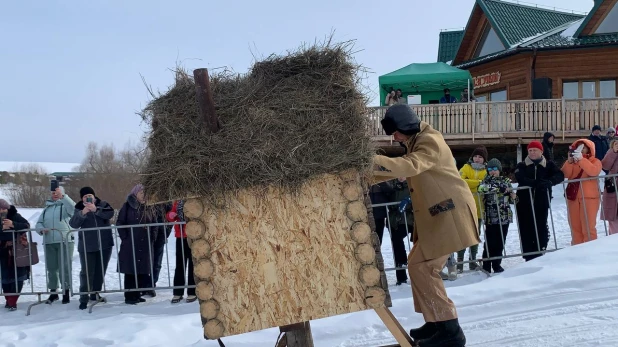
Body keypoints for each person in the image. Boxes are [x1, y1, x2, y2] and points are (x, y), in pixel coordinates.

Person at [373, 104, 479, 347]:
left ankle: (450, 331)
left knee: (424, 267)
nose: (395, 137)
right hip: (438, 215)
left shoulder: (430, 140)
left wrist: (370, 160)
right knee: (416, 265)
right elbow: (403, 168)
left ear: (406, 126)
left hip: (450, 214)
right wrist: (367, 174)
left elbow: (411, 165)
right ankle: (436, 322)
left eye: (396, 132)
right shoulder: (415, 141)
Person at [514, 141, 564, 262]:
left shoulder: (549, 165)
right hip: (524, 203)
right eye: (530, 150)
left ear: (541, 151)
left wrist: (550, 182)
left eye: (534, 150)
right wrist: (536, 183)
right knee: (525, 228)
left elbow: (560, 175)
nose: (532, 152)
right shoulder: (522, 165)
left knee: (541, 227)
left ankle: (540, 250)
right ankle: (528, 255)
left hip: (541, 202)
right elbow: (520, 177)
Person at [69, 187, 115, 310]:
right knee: (86, 272)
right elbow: (73, 224)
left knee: (100, 271)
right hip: (87, 246)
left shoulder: (103, 204)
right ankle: (83, 297)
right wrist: (83, 213)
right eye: (85, 196)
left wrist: (96, 210)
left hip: (105, 244)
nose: (87, 198)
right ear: (81, 198)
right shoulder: (78, 208)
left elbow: (110, 213)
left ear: (94, 196)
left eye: (89, 195)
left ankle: (95, 294)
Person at [116, 184, 159, 305]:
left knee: (142, 269)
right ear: (135, 194)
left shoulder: (149, 207)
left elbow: (154, 223)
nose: (144, 195)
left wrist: (153, 236)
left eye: (145, 193)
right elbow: (120, 222)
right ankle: (129, 295)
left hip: (145, 243)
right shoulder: (127, 206)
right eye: (141, 193)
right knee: (131, 270)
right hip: (131, 243)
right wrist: (125, 237)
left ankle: (138, 293)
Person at [35, 185, 75, 304]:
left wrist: (64, 197)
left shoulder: (65, 205)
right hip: (49, 241)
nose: (54, 194)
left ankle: (66, 292)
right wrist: (41, 229)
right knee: (51, 268)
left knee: (65, 267)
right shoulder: (47, 208)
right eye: (53, 193)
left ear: (62, 193)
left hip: (64, 240)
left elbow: (73, 210)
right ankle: (53, 292)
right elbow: (39, 223)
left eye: (57, 192)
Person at [478, 159, 516, 273]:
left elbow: (511, 199)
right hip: (491, 216)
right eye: (490, 169)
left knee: (500, 241)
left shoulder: (506, 180)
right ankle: (486, 264)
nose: (492, 172)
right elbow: (481, 189)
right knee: (490, 241)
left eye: (494, 169)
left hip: (504, 216)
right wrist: (500, 189)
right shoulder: (486, 180)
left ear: (499, 170)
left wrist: (513, 196)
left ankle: (496, 264)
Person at [562, 140, 602, 245]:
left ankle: (591, 249)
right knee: (575, 227)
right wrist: (569, 162)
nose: (580, 149)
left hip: (589, 198)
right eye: (578, 147)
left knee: (588, 227)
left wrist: (581, 160)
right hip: (573, 198)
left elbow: (593, 171)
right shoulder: (572, 162)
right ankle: (576, 249)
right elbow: (564, 174)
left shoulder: (595, 161)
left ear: (589, 149)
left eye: (583, 147)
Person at [457, 146, 488, 272]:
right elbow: (460, 180)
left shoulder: (486, 170)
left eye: (480, 157)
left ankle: (472, 260)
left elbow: (485, 183)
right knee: (463, 234)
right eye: (476, 156)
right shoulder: (465, 167)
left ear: (484, 159)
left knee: (476, 234)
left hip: (479, 207)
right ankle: (460, 261)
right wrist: (477, 183)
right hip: (464, 206)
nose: (477, 159)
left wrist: (470, 182)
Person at [0, 199, 30, 311]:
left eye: (4, 208)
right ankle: (9, 300)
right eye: (0, 209)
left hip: (17, 251)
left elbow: (27, 225)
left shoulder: (15, 215)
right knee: (5, 277)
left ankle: (13, 301)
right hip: (2, 252)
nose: (3, 211)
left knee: (18, 277)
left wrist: (13, 224)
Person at [166, 200, 197, 303]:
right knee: (180, 265)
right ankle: (178, 292)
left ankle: (192, 291)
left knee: (193, 264)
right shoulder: (177, 202)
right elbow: (169, 217)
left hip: (194, 236)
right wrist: (171, 215)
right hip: (181, 236)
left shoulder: (194, 200)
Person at [387, 178, 413, 286]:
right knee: (396, 241)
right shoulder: (390, 185)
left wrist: (410, 199)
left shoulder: (412, 182)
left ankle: (423, 270)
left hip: (411, 217)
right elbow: (385, 199)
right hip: (395, 219)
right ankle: (401, 274)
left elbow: (420, 193)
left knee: (421, 241)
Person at [601, 139, 618, 235]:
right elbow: (605, 166)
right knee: (614, 218)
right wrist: (613, 152)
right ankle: (613, 245)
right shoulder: (611, 151)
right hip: (614, 187)